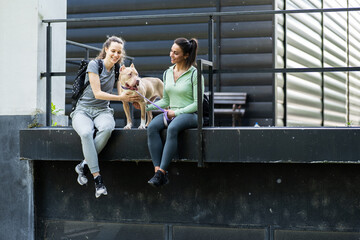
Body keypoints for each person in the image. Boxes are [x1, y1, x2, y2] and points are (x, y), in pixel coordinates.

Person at [71, 36, 141, 198]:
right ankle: (98, 180)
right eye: (113, 51)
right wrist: (122, 98)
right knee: (86, 133)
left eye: (119, 52)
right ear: (106, 50)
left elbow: (122, 92)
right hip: (83, 110)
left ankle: (84, 165)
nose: (116, 55)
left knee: (107, 127)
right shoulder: (94, 65)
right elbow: (98, 93)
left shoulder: (118, 70)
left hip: (103, 111)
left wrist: (135, 99)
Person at [145, 37, 204, 187]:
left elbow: (198, 103)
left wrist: (176, 113)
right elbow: (165, 100)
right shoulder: (167, 73)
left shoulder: (194, 74)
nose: (171, 55)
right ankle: (157, 171)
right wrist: (146, 106)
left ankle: (162, 172)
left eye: (175, 53)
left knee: (172, 128)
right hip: (172, 113)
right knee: (152, 127)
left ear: (185, 55)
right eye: (171, 51)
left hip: (190, 115)